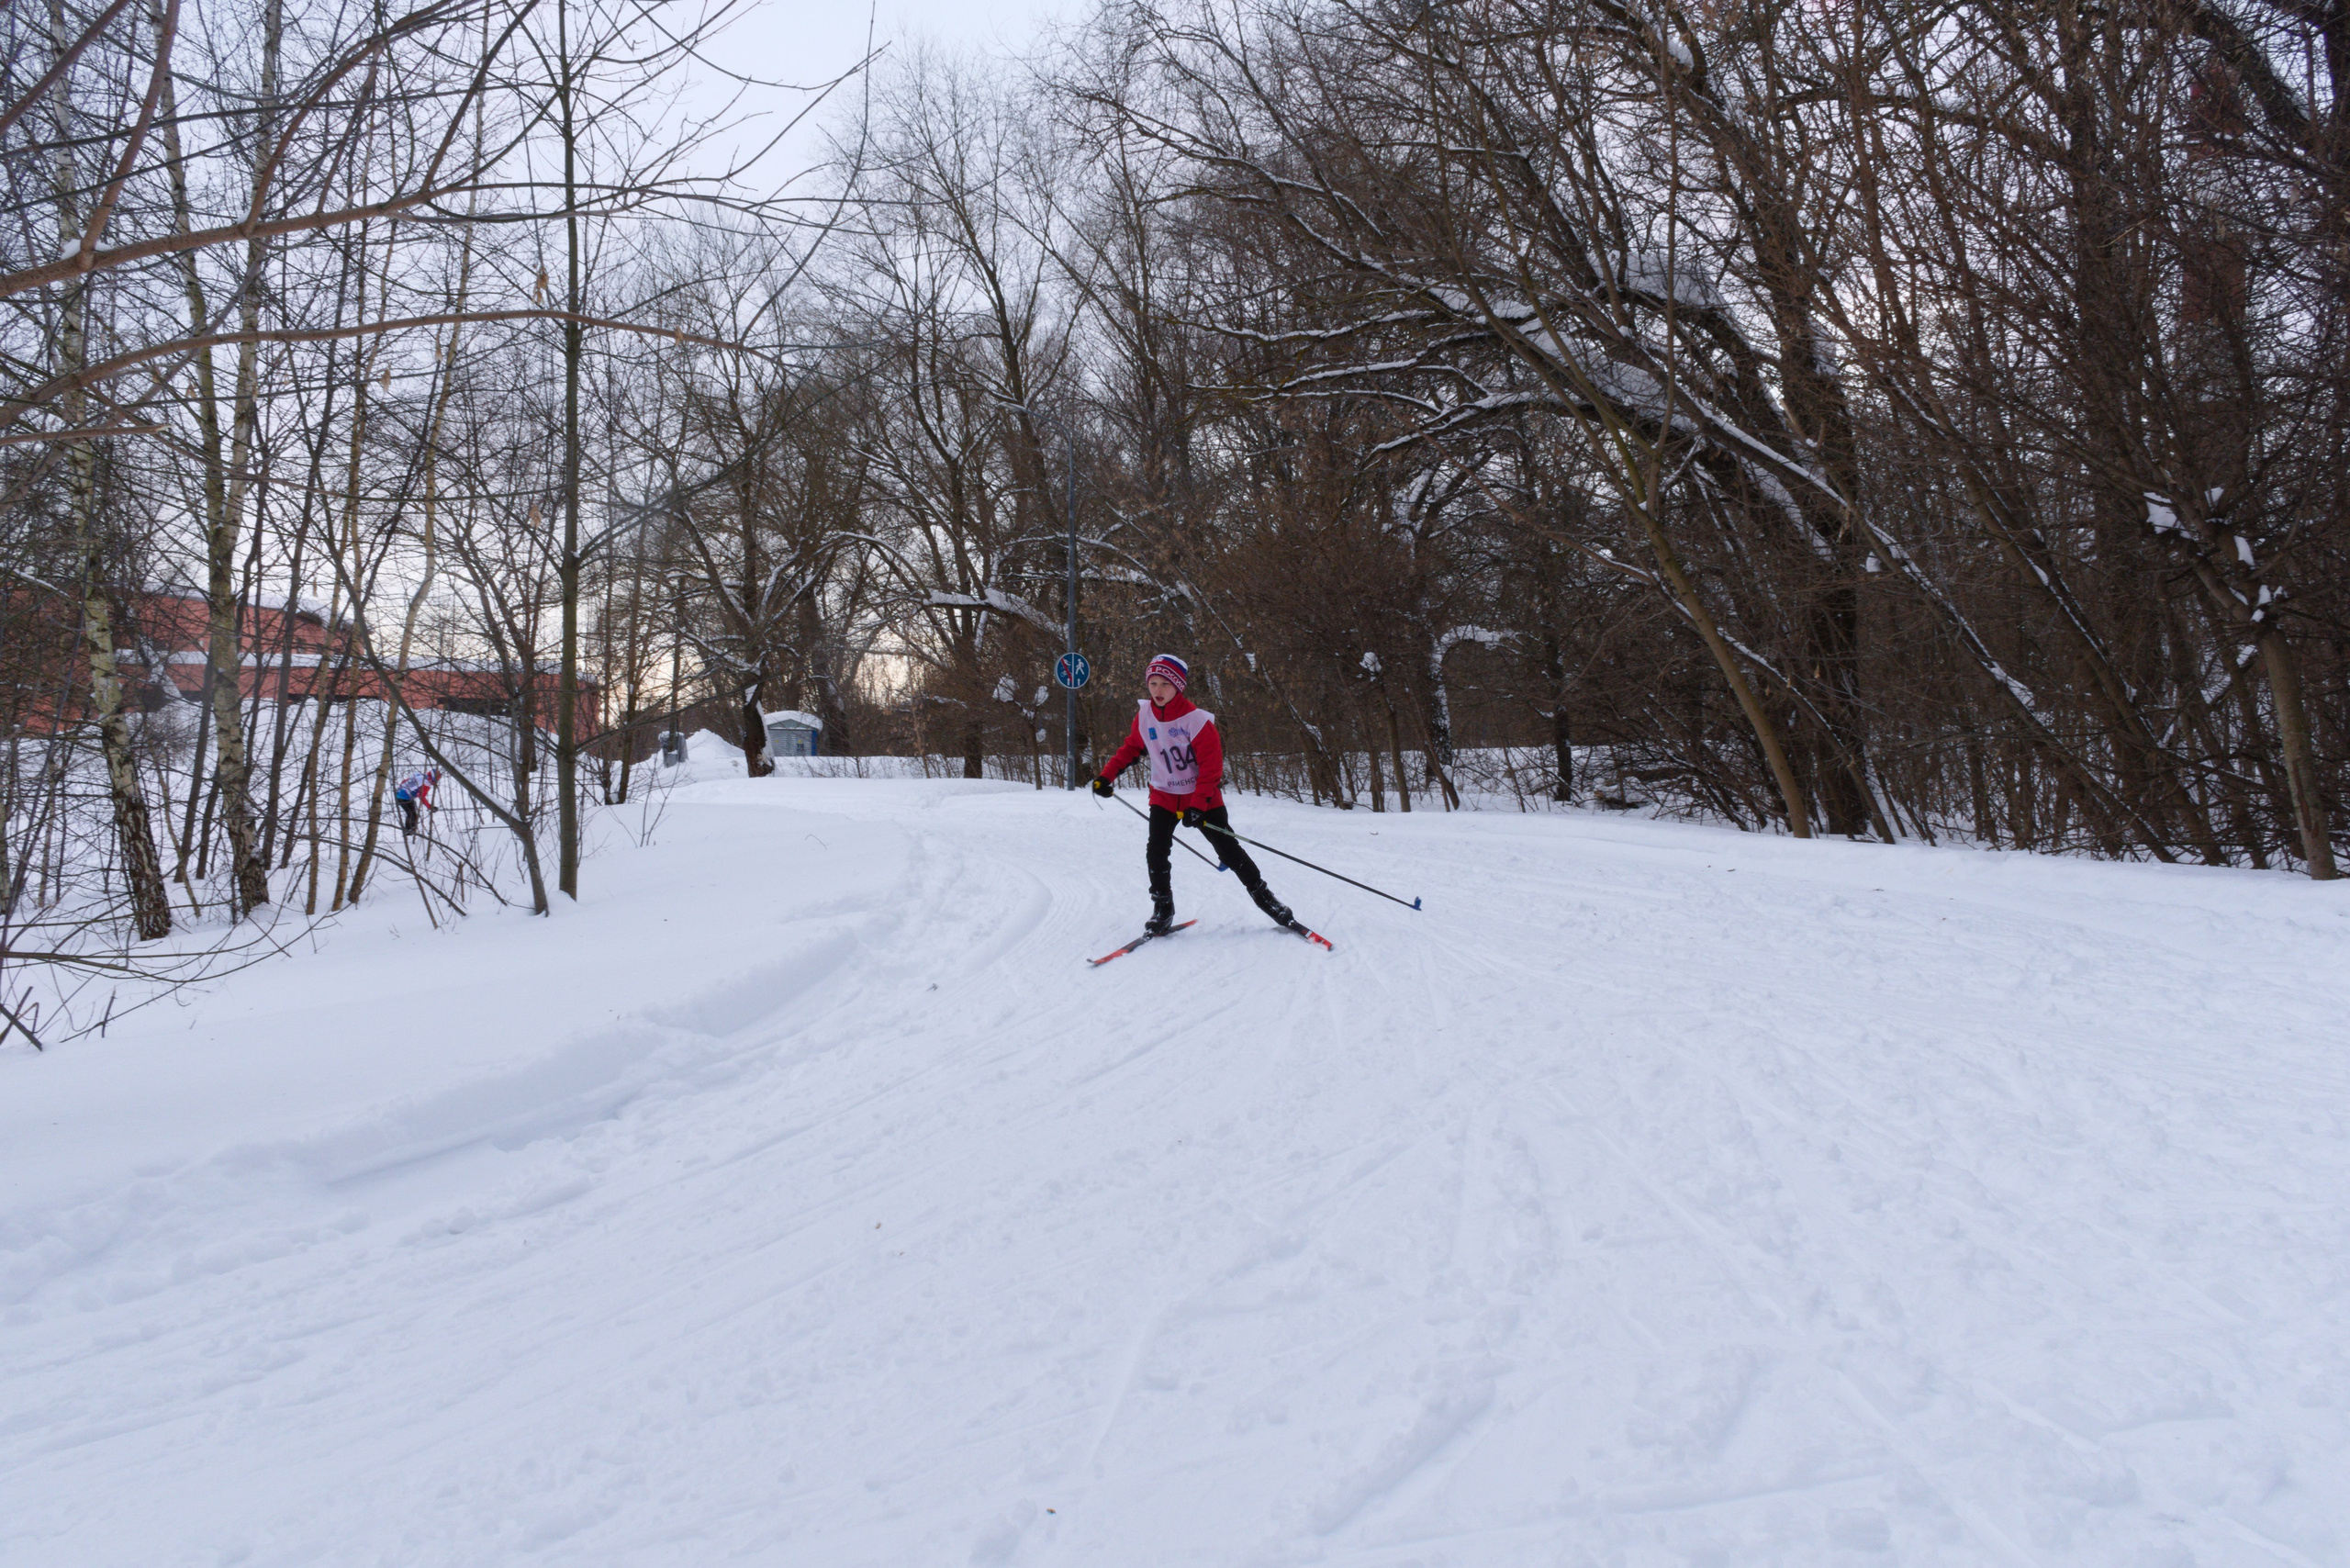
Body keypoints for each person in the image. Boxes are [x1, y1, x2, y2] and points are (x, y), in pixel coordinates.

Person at [1091, 654, 1292, 935]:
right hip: (1163, 795)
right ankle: (1163, 908)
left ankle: (1268, 900)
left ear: (1178, 686)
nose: (1158, 690)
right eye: (1153, 683)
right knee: (1156, 852)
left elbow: (1212, 769)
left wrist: (1198, 805)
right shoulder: (1145, 715)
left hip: (1203, 798)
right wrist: (1105, 776)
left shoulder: (1196, 721)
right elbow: (1131, 749)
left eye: (1165, 684)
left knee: (1229, 851)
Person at [394, 767, 442, 836]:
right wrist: (429, 807)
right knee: (411, 814)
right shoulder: (426, 782)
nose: (436, 782)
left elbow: (404, 782)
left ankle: (410, 831)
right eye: (436, 780)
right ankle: (408, 831)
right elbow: (421, 796)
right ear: (433, 778)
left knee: (412, 814)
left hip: (402, 795)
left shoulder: (421, 777)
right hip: (403, 797)